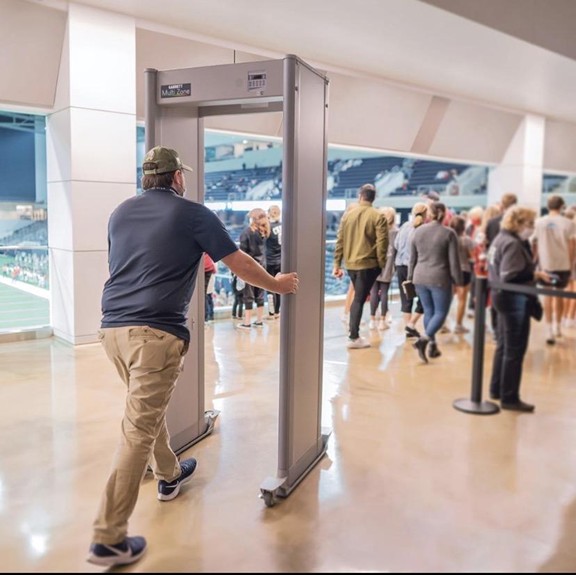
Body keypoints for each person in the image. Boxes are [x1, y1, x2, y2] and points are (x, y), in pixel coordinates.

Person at [88, 146, 298, 567]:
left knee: (144, 415)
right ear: (176, 178)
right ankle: (108, 538)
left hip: (112, 330)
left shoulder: (119, 213)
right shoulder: (192, 213)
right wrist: (278, 285)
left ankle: (168, 476)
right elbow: (237, 262)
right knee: (137, 431)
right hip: (155, 333)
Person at [487, 205, 553, 412]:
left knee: (504, 347)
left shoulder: (501, 239)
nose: (532, 228)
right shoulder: (512, 243)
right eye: (530, 224)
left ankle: (497, 389)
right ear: (517, 223)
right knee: (514, 351)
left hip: (501, 298)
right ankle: (509, 397)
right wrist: (534, 275)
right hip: (513, 300)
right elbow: (511, 275)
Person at [333, 184, 388, 349]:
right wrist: (381, 265)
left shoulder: (348, 216)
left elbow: (340, 241)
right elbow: (382, 244)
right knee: (358, 299)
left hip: (350, 264)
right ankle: (353, 336)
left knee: (358, 296)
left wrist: (337, 263)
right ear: (373, 198)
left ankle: (354, 334)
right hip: (368, 265)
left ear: (360, 196)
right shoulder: (378, 216)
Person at [409, 201, 462, 362]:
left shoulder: (417, 232)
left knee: (428, 311)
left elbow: (412, 259)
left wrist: (410, 278)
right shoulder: (449, 233)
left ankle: (431, 344)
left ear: (429, 214)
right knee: (440, 312)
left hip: (419, 277)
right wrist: (459, 281)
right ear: (444, 214)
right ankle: (424, 340)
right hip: (439, 278)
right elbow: (454, 262)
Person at [531, 194, 576, 345]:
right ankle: (557, 327)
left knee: (548, 297)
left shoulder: (539, 223)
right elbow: (572, 246)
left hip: (545, 264)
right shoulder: (569, 223)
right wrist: (570, 264)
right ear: (562, 206)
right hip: (563, 265)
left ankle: (549, 329)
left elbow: (534, 243)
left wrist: (534, 261)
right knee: (559, 295)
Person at [394, 202, 428, 338]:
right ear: (426, 214)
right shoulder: (424, 229)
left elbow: (396, 244)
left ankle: (409, 328)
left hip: (400, 265)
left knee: (406, 298)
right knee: (423, 299)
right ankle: (411, 325)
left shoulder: (404, 226)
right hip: (416, 267)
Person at [237, 207, 271, 330]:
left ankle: (247, 322)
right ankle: (259, 320)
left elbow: (242, 253)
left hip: (250, 267)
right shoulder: (265, 232)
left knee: (249, 294)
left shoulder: (247, 233)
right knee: (260, 293)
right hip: (262, 265)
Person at [369, 206, 398, 330]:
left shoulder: (375, 230)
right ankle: (382, 320)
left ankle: (372, 320)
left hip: (374, 264)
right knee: (384, 292)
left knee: (374, 292)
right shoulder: (396, 232)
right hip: (388, 265)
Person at [449, 215, 475, 333]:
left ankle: (442, 323)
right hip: (464, 271)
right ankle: (458, 325)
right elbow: (472, 256)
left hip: (450, 271)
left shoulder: (448, 238)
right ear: (463, 227)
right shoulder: (467, 240)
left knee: (447, 298)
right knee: (462, 299)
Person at [265, 204, 282, 318]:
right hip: (280, 259)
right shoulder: (282, 225)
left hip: (270, 260)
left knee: (270, 287)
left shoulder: (268, 227)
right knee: (279, 286)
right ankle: (277, 311)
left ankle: (271, 312)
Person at [203, 253, 216, 323]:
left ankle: (205, 317)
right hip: (209, 270)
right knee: (207, 296)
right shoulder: (209, 255)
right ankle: (209, 316)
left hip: (205, 270)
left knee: (203, 295)